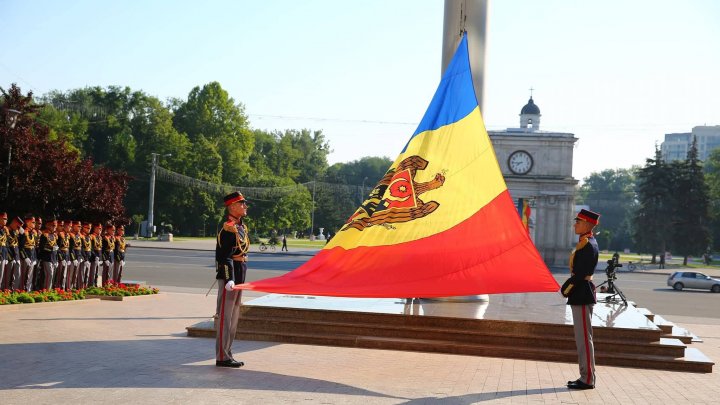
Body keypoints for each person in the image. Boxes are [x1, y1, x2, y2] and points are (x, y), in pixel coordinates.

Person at [562, 208, 600, 390]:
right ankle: (585, 376)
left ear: (586, 224)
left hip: (582, 292)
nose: (575, 224)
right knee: (582, 338)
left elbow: (581, 274)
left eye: (578, 221)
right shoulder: (584, 242)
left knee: (584, 339)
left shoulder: (588, 245)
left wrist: (567, 288)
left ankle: (588, 379)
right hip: (581, 292)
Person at [214, 191, 250, 368]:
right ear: (232, 206)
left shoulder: (240, 227)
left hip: (239, 275)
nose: (245, 206)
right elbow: (223, 256)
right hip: (230, 278)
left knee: (233, 317)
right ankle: (222, 356)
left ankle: (228, 353)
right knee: (225, 318)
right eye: (242, 203)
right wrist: (229, 278)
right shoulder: (228, 227)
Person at [37, 218, 58, 291]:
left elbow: (57, 246)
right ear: (48, 226)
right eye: (53, 225)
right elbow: (42, 247)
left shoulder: (55, 235)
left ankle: (48, 289)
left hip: (53, 258)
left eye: (55, 226)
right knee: (49, 274)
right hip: (47, 257)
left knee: (52, 275)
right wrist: (52, 248)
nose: (54, 227)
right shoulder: (44, 235)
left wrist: (57, 258)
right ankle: (46, 290)